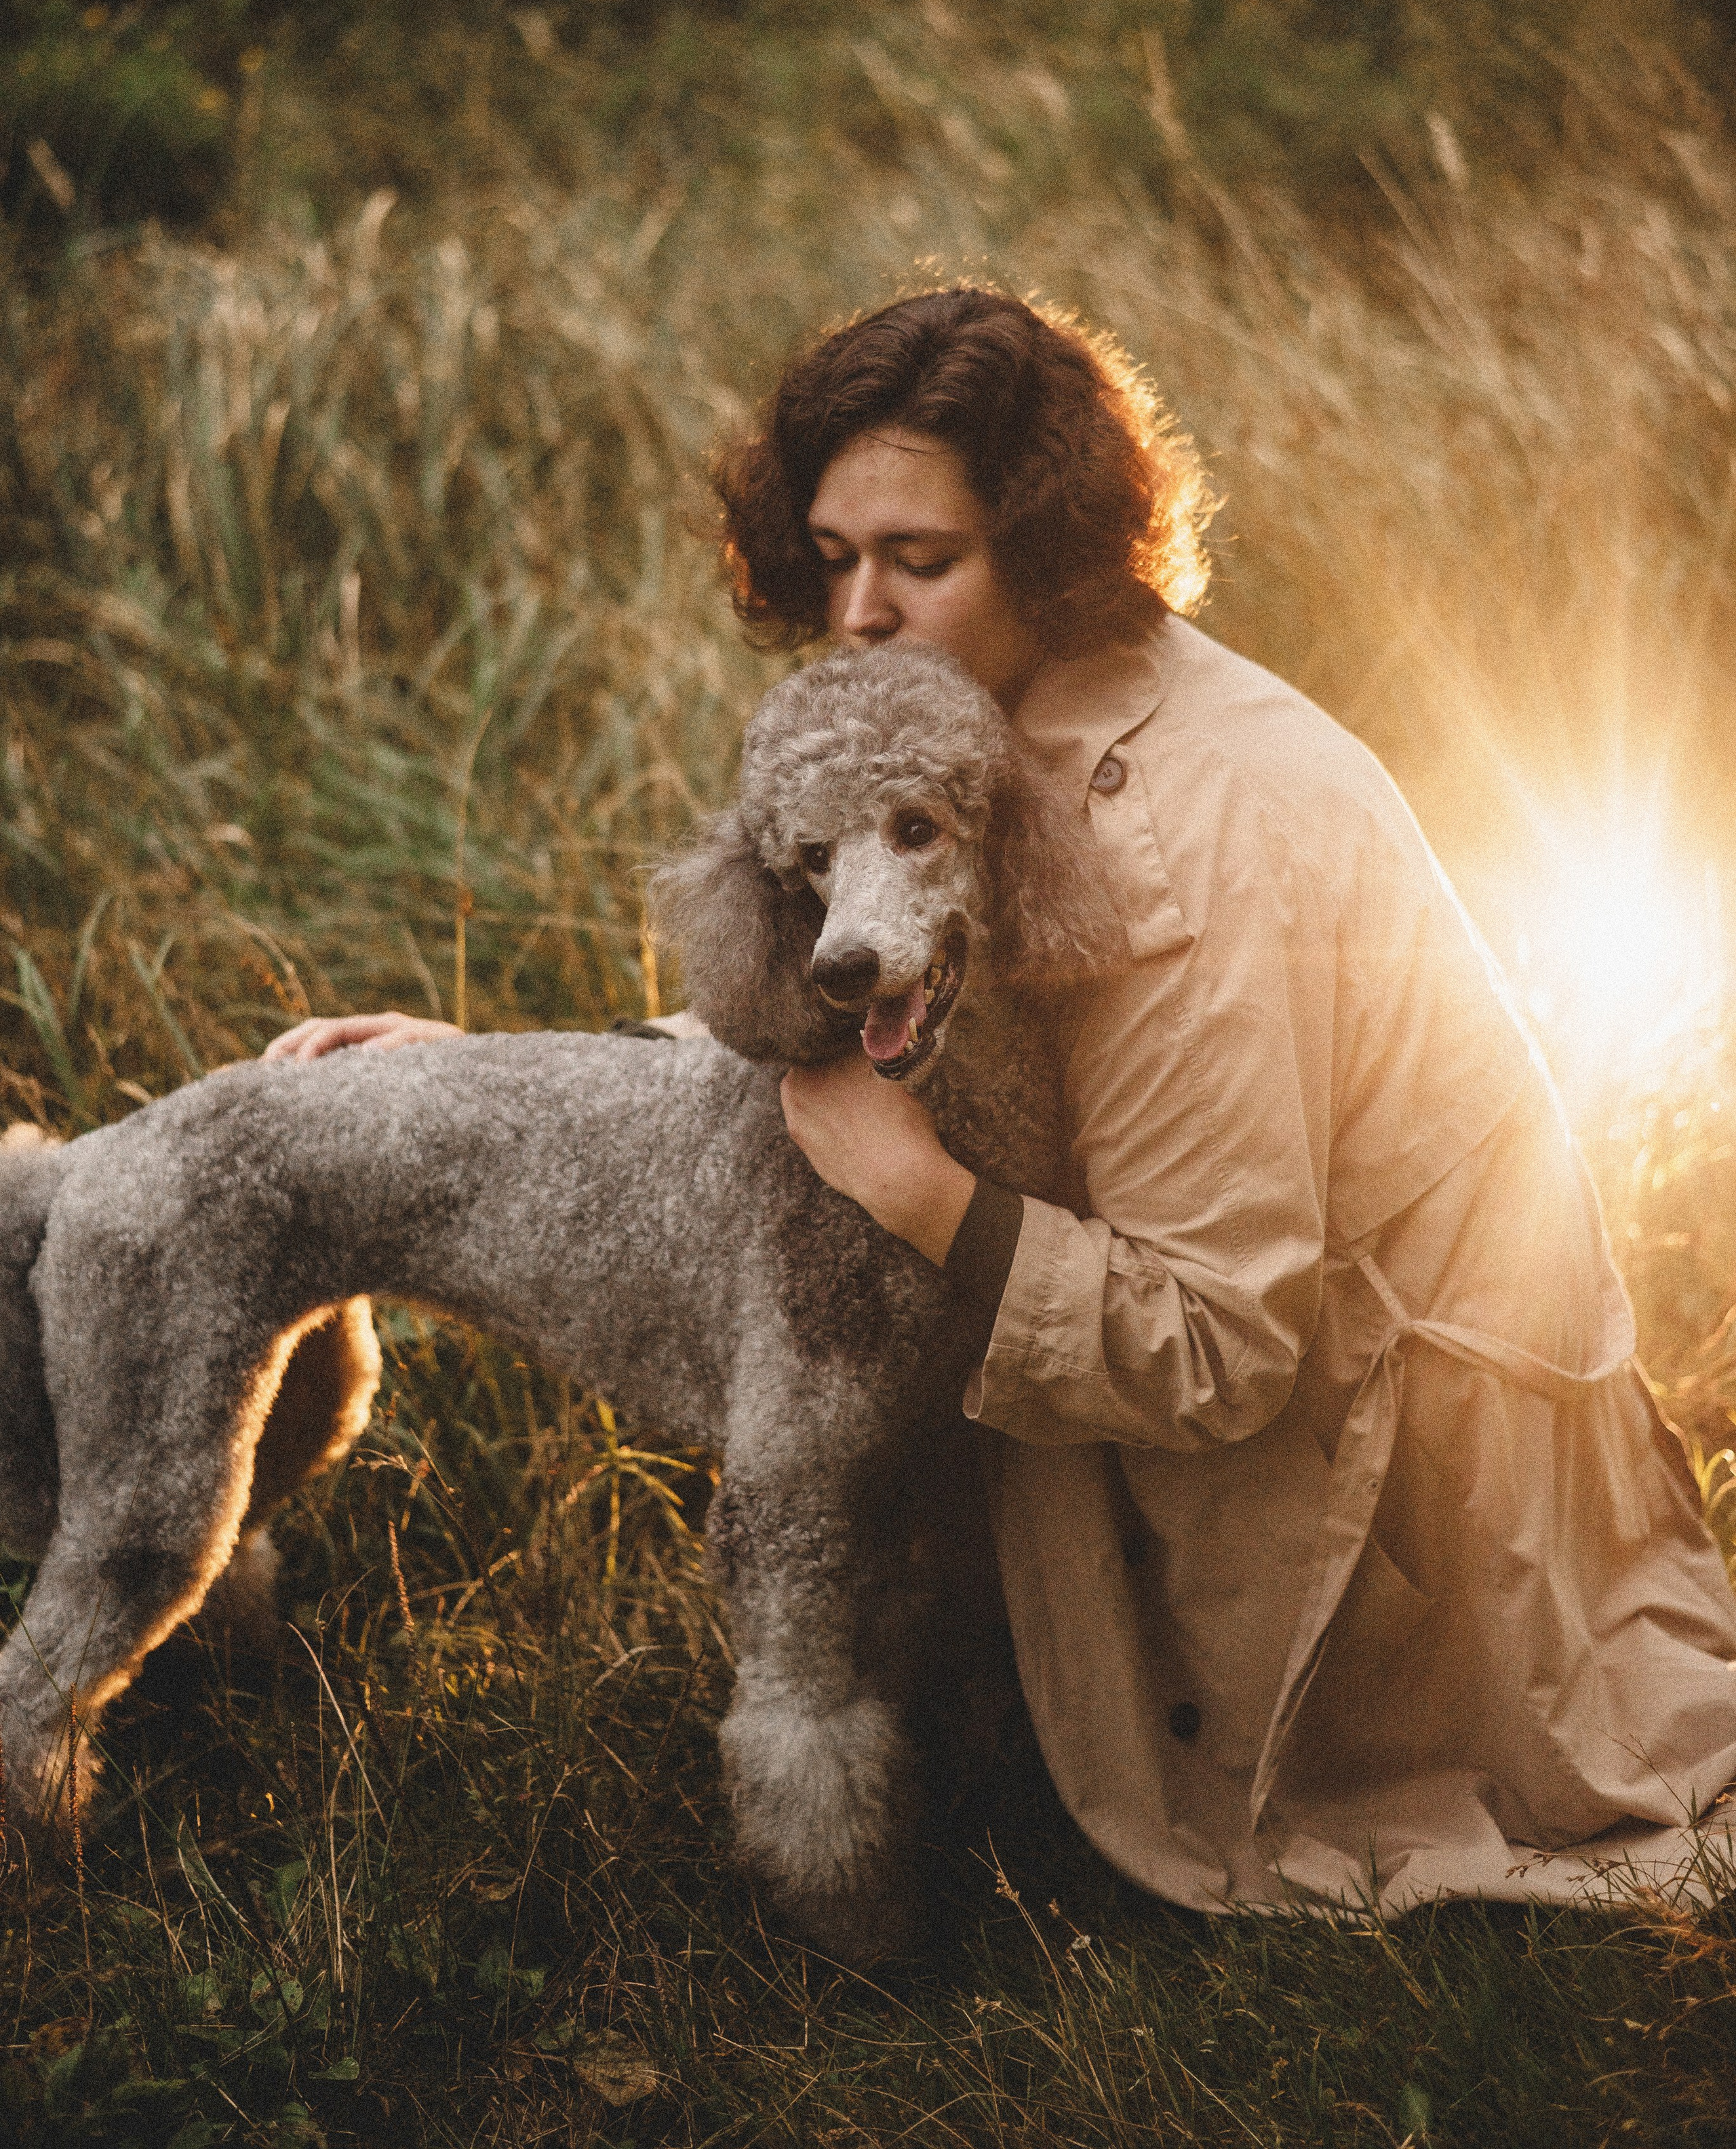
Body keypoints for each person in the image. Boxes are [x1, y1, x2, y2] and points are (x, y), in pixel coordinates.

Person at [269, 285, 1736, 1915]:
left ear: (1044, 546)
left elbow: (1221, 1345)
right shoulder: (1004, 725)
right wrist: (482, 1065)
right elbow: (893, 1014)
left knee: (846, 1375)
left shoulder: (1196, 838)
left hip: (1406, 1518)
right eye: (830, 556)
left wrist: (921, 1196)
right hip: (1293, 1395)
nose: (860, 611)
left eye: (920, 558)